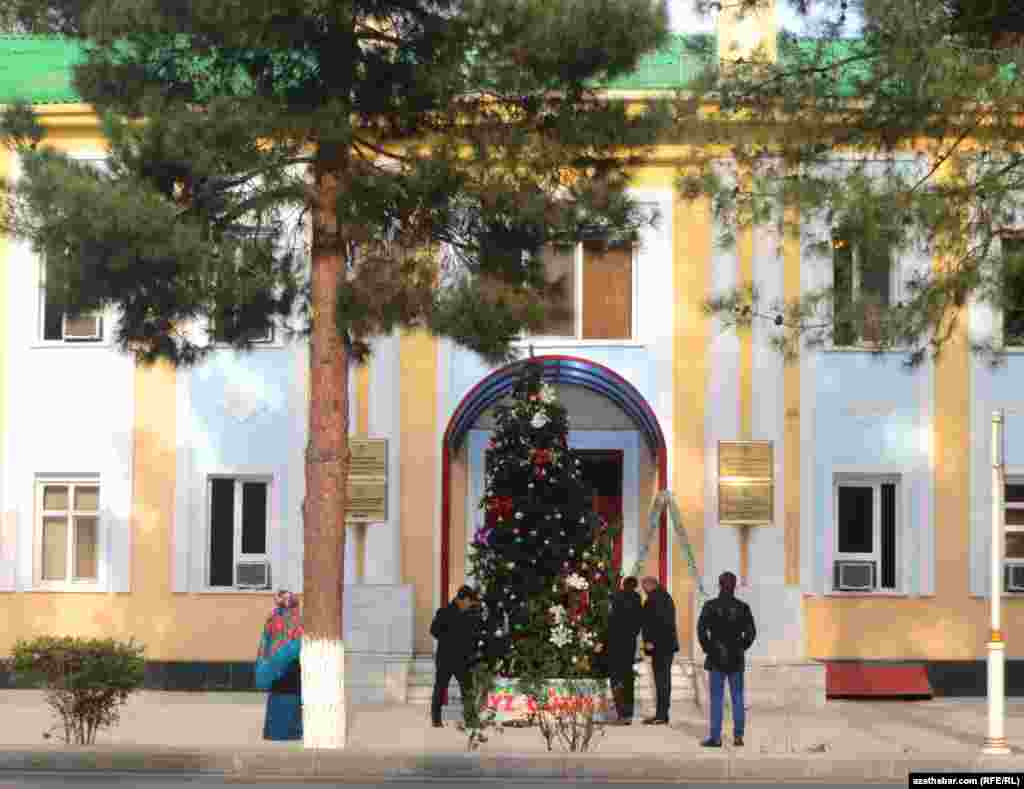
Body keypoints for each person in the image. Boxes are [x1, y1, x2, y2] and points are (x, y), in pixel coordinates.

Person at [697, 571, 757, 748]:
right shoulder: (743, 607)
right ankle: (738, 736)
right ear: (734, 586)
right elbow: (751, 633)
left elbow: (701, 630)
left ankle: (716, 738)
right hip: (736, 657)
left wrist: (709, 648)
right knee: (737, 697)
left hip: (716, 656)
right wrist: (741, 647)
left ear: (719, 584)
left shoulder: (710, 606)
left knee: (716, 699)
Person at [430, 585, 479, 728]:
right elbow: (434, 630)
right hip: (445, 657)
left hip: (463, 659)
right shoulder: (444, 612)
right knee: (440, 688)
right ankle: (436, 720)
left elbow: (472, 635)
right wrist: (449, 639)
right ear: (463, 599)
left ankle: (470, 719)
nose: (470, 605)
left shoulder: (469, 614)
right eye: (470, 602)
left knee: (467, 689)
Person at [258, 590, 304, 741]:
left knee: (278, 695)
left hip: (275, 663)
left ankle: (274, 732)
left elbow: (265, 641)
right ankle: (291, 732)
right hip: (292, 663)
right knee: (292, 695)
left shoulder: (273, 616)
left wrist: (265, 661)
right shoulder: (298, 618)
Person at [640, 576, 679, 725]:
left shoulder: (655, 599)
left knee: (662, 681)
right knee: (663, 680)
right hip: (666, 646)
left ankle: (661, 715)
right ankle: (662, 714)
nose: (643, 590)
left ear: (650, 585)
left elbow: (655, 623)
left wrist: (650, 641)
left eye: (644, 586)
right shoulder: (664, 597)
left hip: (660, 647)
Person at [606, 576, 643, 725]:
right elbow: (639, 622)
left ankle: (621, 713)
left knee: (616, 678)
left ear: (623, 585)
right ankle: (628, 714)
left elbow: (610, 620)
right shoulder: (637, 599)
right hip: (629, 644)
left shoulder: (616, 598)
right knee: (627, 678)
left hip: (616, 644)